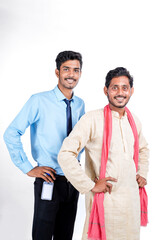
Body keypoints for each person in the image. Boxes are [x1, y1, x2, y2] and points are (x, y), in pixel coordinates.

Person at [58, 67, 149, 240]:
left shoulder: (134, 120)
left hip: (131, 203)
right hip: (105, 203)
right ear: (106, 90)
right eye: (115, 87)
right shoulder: (92, 119)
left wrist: (141, 173)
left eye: (124, 87)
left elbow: (143, 148)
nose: (120, 92)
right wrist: (90, 185)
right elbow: (65, 153)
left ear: (131, 91)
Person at [3, 50, 85, 240]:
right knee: (42, 235)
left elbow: (83, 140)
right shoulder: (38, 101)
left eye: (76, 70)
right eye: (66, 69)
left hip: (72, 180)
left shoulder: (80, 104)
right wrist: (28, 167)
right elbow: (11, 133)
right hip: (49, 178)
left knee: (65, 234)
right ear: (57, 72)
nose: (71, 74)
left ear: (80, 73)